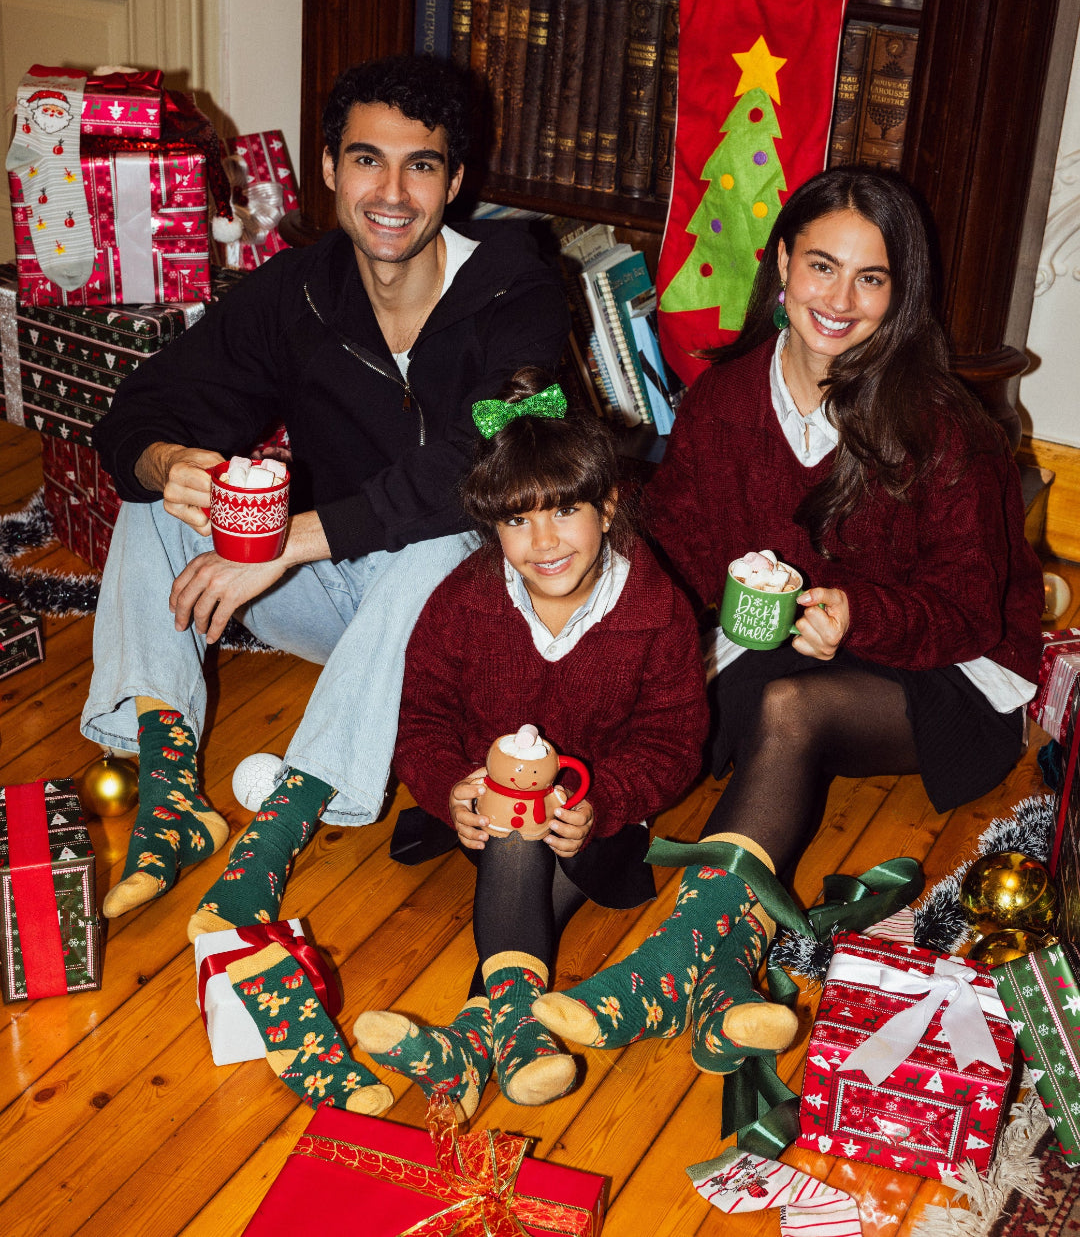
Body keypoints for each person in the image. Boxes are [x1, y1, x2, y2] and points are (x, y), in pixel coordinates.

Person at [531, 168, 1044, 1079]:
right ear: (781, 264)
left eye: (870, 278)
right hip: (780, 642)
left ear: (900, 293)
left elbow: (970, 608)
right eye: (821, 266)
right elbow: (684, 542)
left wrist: (860, 615)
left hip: (947, 670)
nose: (839, 301)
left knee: (789, 710)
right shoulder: (725, 398)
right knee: (655, 716)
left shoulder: (942, 428)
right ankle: (519, 975)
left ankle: (681, 958)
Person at [84, 55, 570, 958]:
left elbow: (496, 460)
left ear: (455, 182)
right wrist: (169, 461)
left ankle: (284, 824)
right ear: (330, 169)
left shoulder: (520, 289)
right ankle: (169, 793)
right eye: (366, 160)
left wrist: (291, 540)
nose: (391, 193)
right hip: (337, 600)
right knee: (158, 501)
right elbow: (142, 407)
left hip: (468, 624)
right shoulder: (299, 289)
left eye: (420, 166)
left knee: (448, 543)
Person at [350, 369, 709, 1118]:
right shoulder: (462, 602)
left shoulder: (657, 609)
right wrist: (449, 788)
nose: (544, 541)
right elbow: (421, 720)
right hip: (489, 818)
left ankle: (473, 1039)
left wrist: (606, 800)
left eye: (566, 511)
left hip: (599, 824)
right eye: (517, 520)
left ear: (608, 507)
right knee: (515, 833)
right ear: (493, 527)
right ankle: (514, 1030)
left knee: (532, 841)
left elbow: (674, 740)